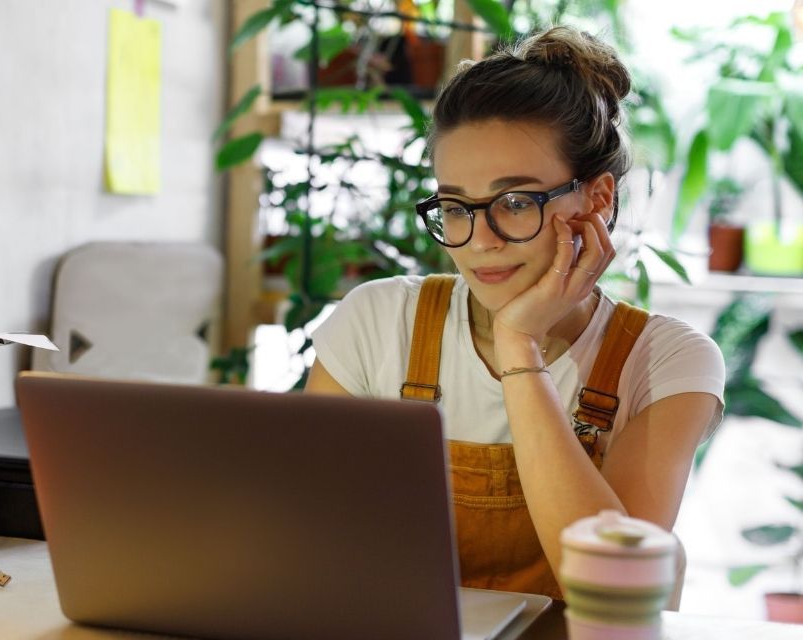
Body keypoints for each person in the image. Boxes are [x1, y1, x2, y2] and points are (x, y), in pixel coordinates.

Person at [305, 26, 725, 599]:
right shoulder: (379, 320)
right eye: (456, 206)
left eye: (516, 202)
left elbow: (616, 588)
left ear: (596, 199)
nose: (478, 240)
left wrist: (519, 348)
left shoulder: (667, 362)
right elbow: (308, 540)